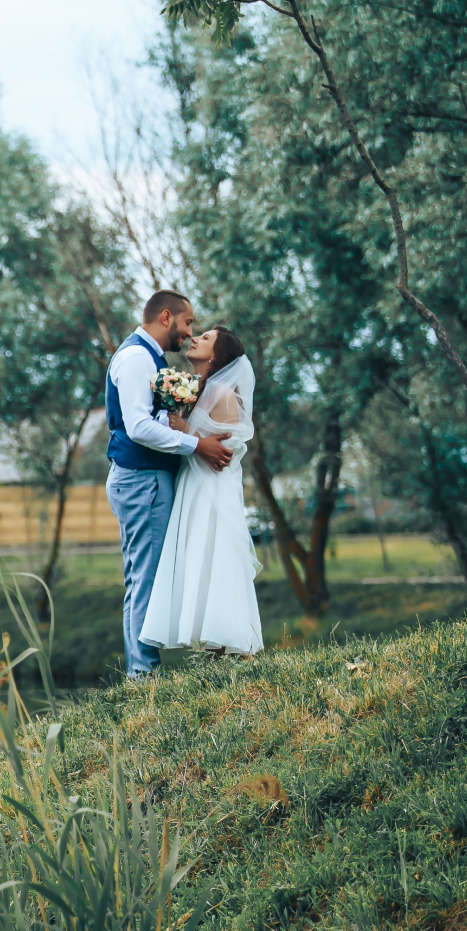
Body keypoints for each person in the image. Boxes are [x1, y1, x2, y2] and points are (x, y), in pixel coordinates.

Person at [105, 290, 234, 679]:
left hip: (147, 479)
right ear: (166, 317)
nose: (190, 332)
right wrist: (197, 445)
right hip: (141, 479)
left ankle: (143, 671)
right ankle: (143, 676)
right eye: (188, 322)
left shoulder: (150, 359)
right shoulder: (134, 359)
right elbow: (138, 426)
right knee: (144, 577)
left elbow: (152, 419)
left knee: (144, 575)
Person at [140, 327, 264, 657]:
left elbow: (226, 447)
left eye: (206, 338)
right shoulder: (200, 390)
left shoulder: (222, 391)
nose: (196, 339)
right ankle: (216, 647)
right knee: (200, 558)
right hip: (193, 483)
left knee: (215, 557)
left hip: (211, 488)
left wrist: (184, 429)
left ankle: (232, 641)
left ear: (216, 355)